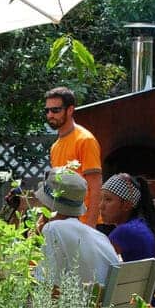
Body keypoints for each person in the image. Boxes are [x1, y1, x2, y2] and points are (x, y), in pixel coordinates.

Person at [33, 168, 119, 287]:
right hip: (99, 303)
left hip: (76, 304)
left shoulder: (53, 229)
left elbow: (47, 289)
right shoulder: (100, 236)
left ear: (47, 204)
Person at [100, 173, 155, 296]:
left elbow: (98, 265)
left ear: (127, 205)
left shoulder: (125, 232)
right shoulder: (148, 225)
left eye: (108, 200)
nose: (101, 206)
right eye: (101, 199)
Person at [44, 86, 102, 227]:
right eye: (47, 110)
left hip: (85, 224)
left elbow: (96, 187)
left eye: (55, 110)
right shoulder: (55, 146)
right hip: (66, 224)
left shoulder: (85, 140)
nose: (50, 114)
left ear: (70, 110)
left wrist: (90, 228)